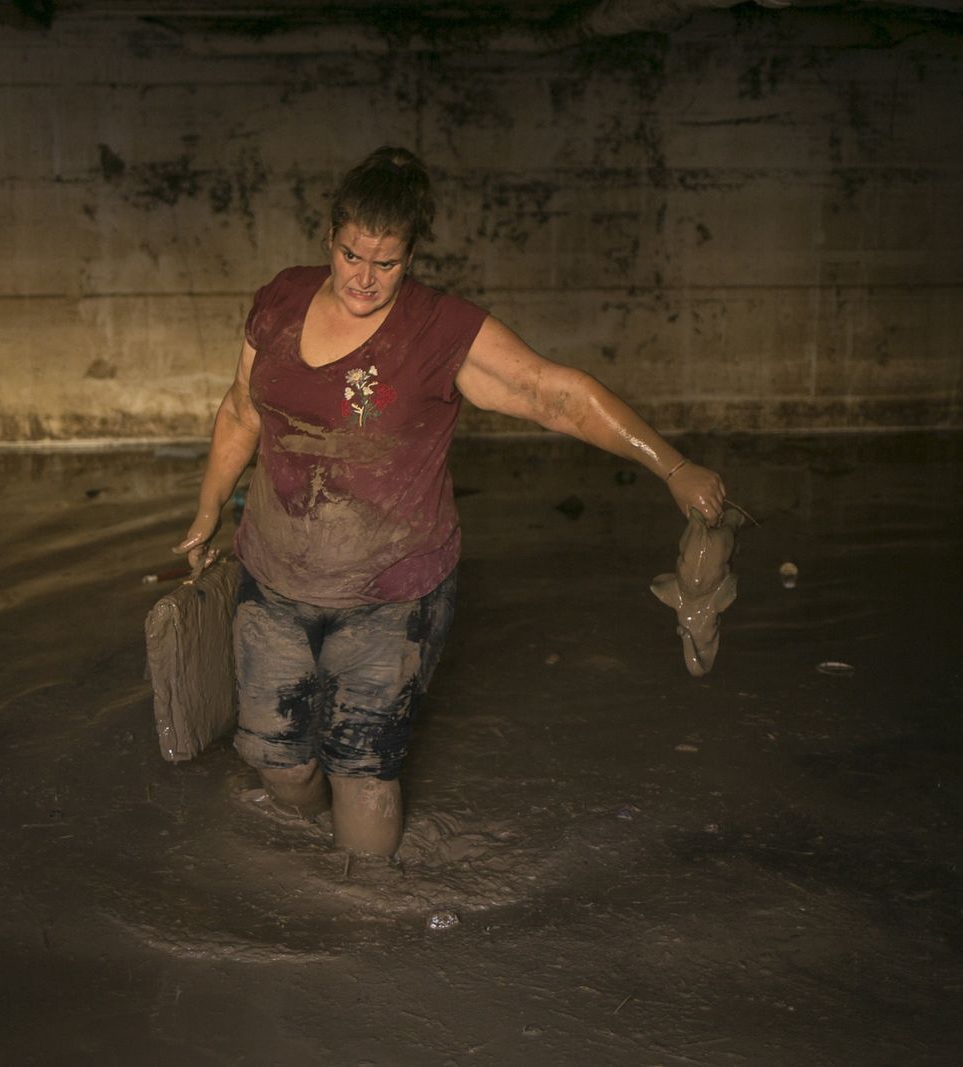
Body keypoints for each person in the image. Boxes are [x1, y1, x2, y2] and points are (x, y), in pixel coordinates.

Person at [174, 146, 726, 858]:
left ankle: (369, 927)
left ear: (411, 256)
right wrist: (208, 506)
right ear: (330, 236)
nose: (364, 279)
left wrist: (672, 464)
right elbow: (241, 410)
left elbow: (554, 393)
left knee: (363, 773)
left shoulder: (440, 330)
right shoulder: (279, 300)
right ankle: (313, 884)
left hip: (394, 596)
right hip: (273, 580)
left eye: (387, 263)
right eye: (351, 255)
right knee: (280, 765)